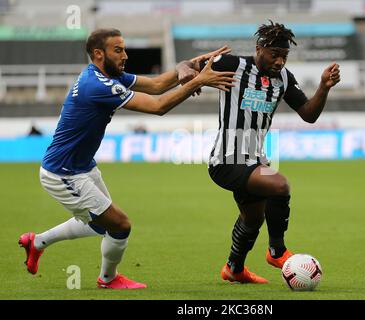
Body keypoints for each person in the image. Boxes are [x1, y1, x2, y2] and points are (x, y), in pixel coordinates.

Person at [18, 28, 235, 289]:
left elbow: (157, 85)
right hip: (63, 173)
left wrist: (188, 65)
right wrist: (197, 81)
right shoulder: (97, 85)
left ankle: (37, 242)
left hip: (82, 167)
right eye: (118, 50)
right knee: (120, 225)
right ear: (99, 54)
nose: (125, 55)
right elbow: (158, 106)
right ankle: (108, 279)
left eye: (124, 49)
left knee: (101, 225)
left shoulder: (107, 75)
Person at [198, 21, 341, 283]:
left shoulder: (285, 78)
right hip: (226, 159)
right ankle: (276, 250)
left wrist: (324, 87)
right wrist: (191, 77)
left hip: (255, 160)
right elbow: (185, 67)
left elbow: (308, 114)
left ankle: (234, 269)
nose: (279, 62)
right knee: (279, 184)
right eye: (274, 54)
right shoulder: (232, 65)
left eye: (284, 56)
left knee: (252, 218)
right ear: (259, 49)